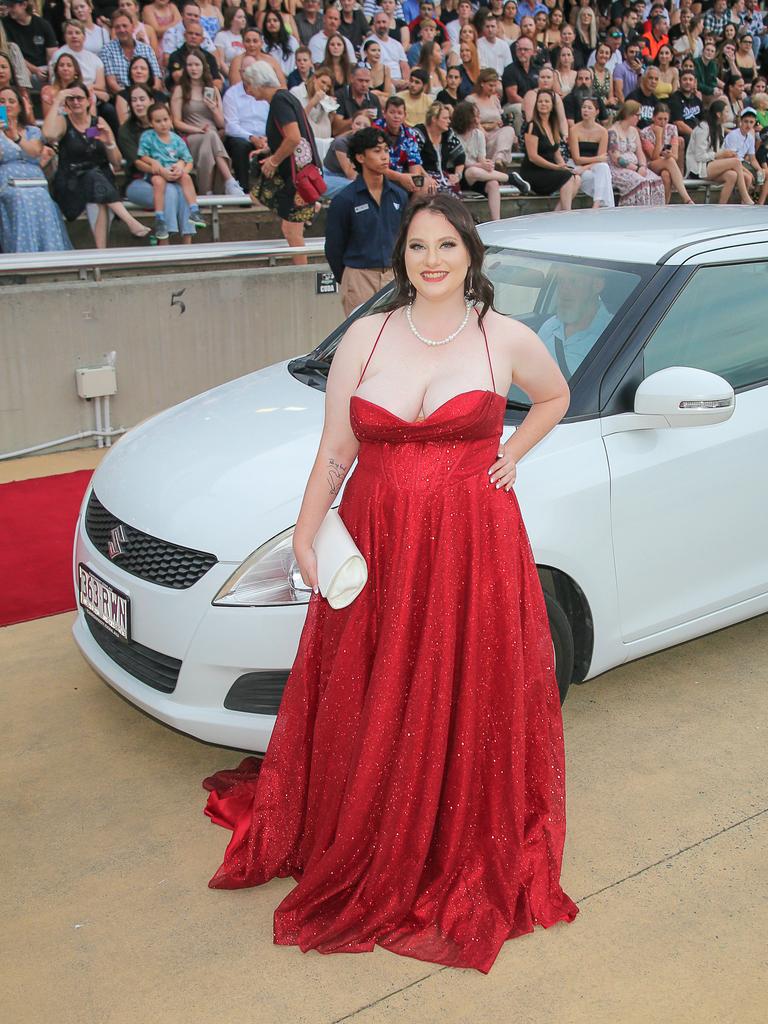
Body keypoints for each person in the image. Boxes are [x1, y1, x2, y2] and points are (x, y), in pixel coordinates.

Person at [202, 190, 578, 973]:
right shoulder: (366, 337)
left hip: (472, 548)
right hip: (376, 543)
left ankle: (442, 830)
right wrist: (306, 532)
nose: (432, 260)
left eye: (446, 245)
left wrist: (516, 451)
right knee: (373, 684)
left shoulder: (502, 336)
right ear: (400, 257)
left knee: (457, 688)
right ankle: (365, 821)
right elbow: (336, 449)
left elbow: (555, 396)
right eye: (417, 247)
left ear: (471, 254)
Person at [43, 83, 152, 247]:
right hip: (72, 182)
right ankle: (130, 221)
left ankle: (101, 254)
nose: (75, 102)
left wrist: (109, 143)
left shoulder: (97, 123)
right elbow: (48, 134)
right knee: (95, 180)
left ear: (88, 101)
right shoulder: (64, 122)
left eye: (79, 98)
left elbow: (116, 162)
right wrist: (58, 100)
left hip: (99, 181)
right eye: (71, 99)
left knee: (98, 192)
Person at [324, 123, 406, 316]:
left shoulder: (399, 196)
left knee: (394, 338)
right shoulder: (344, 200)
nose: (384, 156)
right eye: (377, 151)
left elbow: (405, 238)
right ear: (360, 157)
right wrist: (348, 278)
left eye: (386, 150)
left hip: (392, 276)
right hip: (358, 276)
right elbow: (334, 247)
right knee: (361, 338)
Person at [245, 60, 322, 264]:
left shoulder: (279, 101)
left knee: (291, 231)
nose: (248, 90)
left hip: (298, 177)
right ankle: (313, 207)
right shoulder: (285, 98)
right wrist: (270, 151)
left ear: (258, 83)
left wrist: (273, 160)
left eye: (248, 84)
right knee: (289, 228)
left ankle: (302, 277)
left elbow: (294, 137)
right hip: (300, 173)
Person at [118, 82, 196, 243]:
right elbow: (138, 162)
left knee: (181, 189)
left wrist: (180, 166)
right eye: (134, 100)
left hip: (170, 179)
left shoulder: (164, 125)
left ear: (151, 101)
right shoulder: (126, 130)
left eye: (142, 99)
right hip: (138, 182)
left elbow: (179, 154)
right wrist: (161, 171)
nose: (138, 103)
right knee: (171, 192)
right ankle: (165, 242)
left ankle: (187, 244)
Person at [0, 84, 71, 252]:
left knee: (41, 197)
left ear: (19, 106)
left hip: (35, 181)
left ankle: (49, 252)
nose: (7, 105)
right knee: (20, 198)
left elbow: (35, 151)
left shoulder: (32, 130)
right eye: (2, 101)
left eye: (12, 101)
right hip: (8, 182)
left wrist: (16, 137)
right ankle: (23, 254)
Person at [170, 49, 242, 195]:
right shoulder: (180, 90)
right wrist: (197, 130)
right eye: (190, 65)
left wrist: (214, 108)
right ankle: (229, 181)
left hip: (212, 135)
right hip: (191, 134)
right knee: (210, 136)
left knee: (210, 137)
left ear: (203, 66)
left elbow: (222, 123)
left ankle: (207, 191)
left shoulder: (213, 89)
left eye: (197, 64)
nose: (193, 68)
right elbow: (176, 122)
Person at [135, 101, 206, 240]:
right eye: (158, 121)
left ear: (171, 119)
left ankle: (194, 210)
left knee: (187, 178)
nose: (163, 124)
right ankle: (160, 218)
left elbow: (188, 160)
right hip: (158, 172)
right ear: (151, 123)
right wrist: (153, 162)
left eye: (166, 120)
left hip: (175, 172)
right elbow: (142, 156)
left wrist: (182, 170)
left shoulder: (177, 139)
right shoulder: (148, 137)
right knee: (158, 181)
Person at [537, 263, 612, 376]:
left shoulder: (613, 333)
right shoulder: (549, 326)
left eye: (573, 281)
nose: (564, 290)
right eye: (561, 281)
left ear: (597, 285)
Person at [685, 97, 755, 203]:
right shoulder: (703, 128)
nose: (728, 114)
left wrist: (726, 155)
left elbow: (719, 152)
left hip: (711, 165)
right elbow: (700, 156)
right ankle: (745, 197)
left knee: (732, 175)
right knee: (735, 162)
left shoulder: (719, 127)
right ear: (718, 114)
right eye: (726, 111)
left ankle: (721, 207)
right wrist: (719, 155)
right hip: (697, 168)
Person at [520, 88, 581, 207]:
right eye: (540, 101)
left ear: (552, 105)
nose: (543, 104)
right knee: (567, 176)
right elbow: (533, 157)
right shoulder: (532, 125)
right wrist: (556, 167)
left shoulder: (554, 125)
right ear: (536, 104)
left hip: (549, 170)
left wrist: (563, 166)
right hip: (534, 172)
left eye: (547, 101)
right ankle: (567, 214)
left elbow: (556, 153)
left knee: (576, 178)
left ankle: (558, 215)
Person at [607, 99, 665, 206]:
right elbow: (616, 159)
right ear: (629, 115)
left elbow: (640, 153)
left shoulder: (634, 131)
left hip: (636, 167)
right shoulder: (613, 132)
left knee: (657, 181)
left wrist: (642, 166)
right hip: (618, 169)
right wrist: (636, 168)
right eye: (637, 115)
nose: (639, 118)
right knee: (641, 183)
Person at [374, 93, 433, 193]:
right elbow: (375, 166)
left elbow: (414, 163)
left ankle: (411, 209)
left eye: (399, 113)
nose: (396, 116)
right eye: (392, 112)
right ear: (384, 113)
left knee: (424, 184)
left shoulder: (409, 134)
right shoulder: (375, 130)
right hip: (380, 176)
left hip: (402, 176)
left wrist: (414, 181)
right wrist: (401, 177)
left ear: (405, 115)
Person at [639, 103, 695, 203]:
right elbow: (654, 157)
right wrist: (659, 135)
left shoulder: (672, 129)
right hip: (651, 165)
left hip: (668, 163)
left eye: (665, 119)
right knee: (669, 161)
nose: (663, 122)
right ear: (653, 118)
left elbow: (675, 156)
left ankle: (665, 206)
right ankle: (687, 199)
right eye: (660, 119)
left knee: (666, 175)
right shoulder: (645, 132)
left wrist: (669, 155)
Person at [568, 94, 615, 207]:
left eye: (589, 108)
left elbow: (601, 161)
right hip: (575, 165)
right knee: (600, 178)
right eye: (584, 107)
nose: (586, 110)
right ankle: (606, 207)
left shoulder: (603, 132)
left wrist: (586, 167)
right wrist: (597, 159)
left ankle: (596, 205)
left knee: (603, 168)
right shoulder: (574, 130)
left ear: (597, 111)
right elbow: (577, 159)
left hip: (592, 166)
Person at [102, 11, 162, 96]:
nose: (121, 30)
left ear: (133, 27)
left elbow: (157, 79)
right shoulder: (107, 50)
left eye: (125, 26)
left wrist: (149, 96)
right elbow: (112, 83)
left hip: (147, 94)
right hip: (122, 95)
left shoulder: (146, 49)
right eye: (117, 27)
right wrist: (131, 97)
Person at [468, 68, 517, 167]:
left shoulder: (495, 99)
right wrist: (488, 126)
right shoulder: (471, 100)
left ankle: (498, 160)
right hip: (480, 137)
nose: (493, 89)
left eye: (495, 86)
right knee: (481, 133)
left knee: (509, 130)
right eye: (490, 86)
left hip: (496, 136)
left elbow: (499, 121)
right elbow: (472, 123)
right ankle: (496, 162)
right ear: (482, 83)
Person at [2, 0, 57, 88]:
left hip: (43, 67)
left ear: (23, 5)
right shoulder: (5, 24)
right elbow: (13, 55)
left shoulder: (43, 24)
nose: (9, 9)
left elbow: (52, 53)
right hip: (20, 66)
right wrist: (35, 70)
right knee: (24, 73)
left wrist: (50, 69)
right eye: (8, 6)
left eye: (12, 6)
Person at [412, 100, 465, 191]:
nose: (449, 121)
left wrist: (457, 175)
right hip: (419, 175)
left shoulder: (448, 134)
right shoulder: (419, 133)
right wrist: (427, 177)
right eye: (445, 118)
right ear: (434, 119)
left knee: (454, 188)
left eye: (449, 118)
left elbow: (460, 157)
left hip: (441, 176)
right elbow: (413, 161)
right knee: (430, 187)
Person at [322, 110, 372, 196]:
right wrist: (358, 147)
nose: (361, 128)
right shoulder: (341, 142)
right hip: (329, 176)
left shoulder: (370, 143)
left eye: (366, 126)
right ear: (352, 125)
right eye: (358, 124)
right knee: (356, 187)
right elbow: (351, 175)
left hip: (347, 177)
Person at [723, 105, 766, 198]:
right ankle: (744, 202)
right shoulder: (733, 135)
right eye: (746, 121)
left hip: (741, 162)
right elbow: (733, 158)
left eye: (751, 122)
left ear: (754, 123)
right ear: (741, 121)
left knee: (763, 172)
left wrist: (759, 169)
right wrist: (748, 171)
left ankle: (757, 198)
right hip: (731, 163)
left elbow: (753, 158)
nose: (748, 125)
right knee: (748, 177)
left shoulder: (750, 137)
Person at [502, 35, 538, 136]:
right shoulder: (510, 70)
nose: (522, 52)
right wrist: (530, 106)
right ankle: (520, 140)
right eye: (519, 49)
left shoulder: (537, 70)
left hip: (534, 104)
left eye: (526, 49)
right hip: (512, 105)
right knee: (519, 108)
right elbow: (512, 97)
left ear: (533, 52)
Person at [290, 64, 336, 141]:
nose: (325, 88)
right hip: (301, 139)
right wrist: (312, 102)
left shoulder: (324, 99)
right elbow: (296, 120)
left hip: (320, 141)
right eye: (323, 82)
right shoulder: (296, 92)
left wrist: (331, 112)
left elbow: (325, 126)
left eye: (328, 86)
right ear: (314, 78)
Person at [365, 10, 409, 90]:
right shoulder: (368, 43)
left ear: (389, 24)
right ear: (374, 25)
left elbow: (404, 66)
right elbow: (370, 69)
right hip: (381, 83)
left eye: (384, 22)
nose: (381, 25)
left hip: (400, 83)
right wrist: (393, 82)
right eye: (378, 22)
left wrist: (406, 82)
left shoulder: (397, 44)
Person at [333, 64, 382, 135]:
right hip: (346, 138)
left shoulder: (373, 99)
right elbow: (336, 130)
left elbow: (380, 125)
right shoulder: (340, 95)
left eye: (367, 81)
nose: (364, 84)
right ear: (351, 78)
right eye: (360, 80)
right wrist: (359, 117)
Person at [668, 68, 703, 143]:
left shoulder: (697, 100)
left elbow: (704, 120)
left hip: (697, 133)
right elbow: (679, 125)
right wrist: (696, 135)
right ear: (680, 81)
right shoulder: (674, 99)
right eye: (685, 79)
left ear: (695, 82)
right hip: (684, 135)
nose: (688, 82)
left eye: (691, 80)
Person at [262, 10, 299, 75]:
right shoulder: (262, 42)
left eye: (275, 20)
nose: (272, 23)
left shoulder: (292, 41)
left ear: (281, 23)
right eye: (268, 21)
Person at [214, 5, 247, 79]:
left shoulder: (246, 37)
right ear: (231, 20)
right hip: (228, 75)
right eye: (239, 17)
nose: (243, 20)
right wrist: (232, 77)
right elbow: (221, 62)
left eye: (244, 17)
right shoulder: (221, 35)